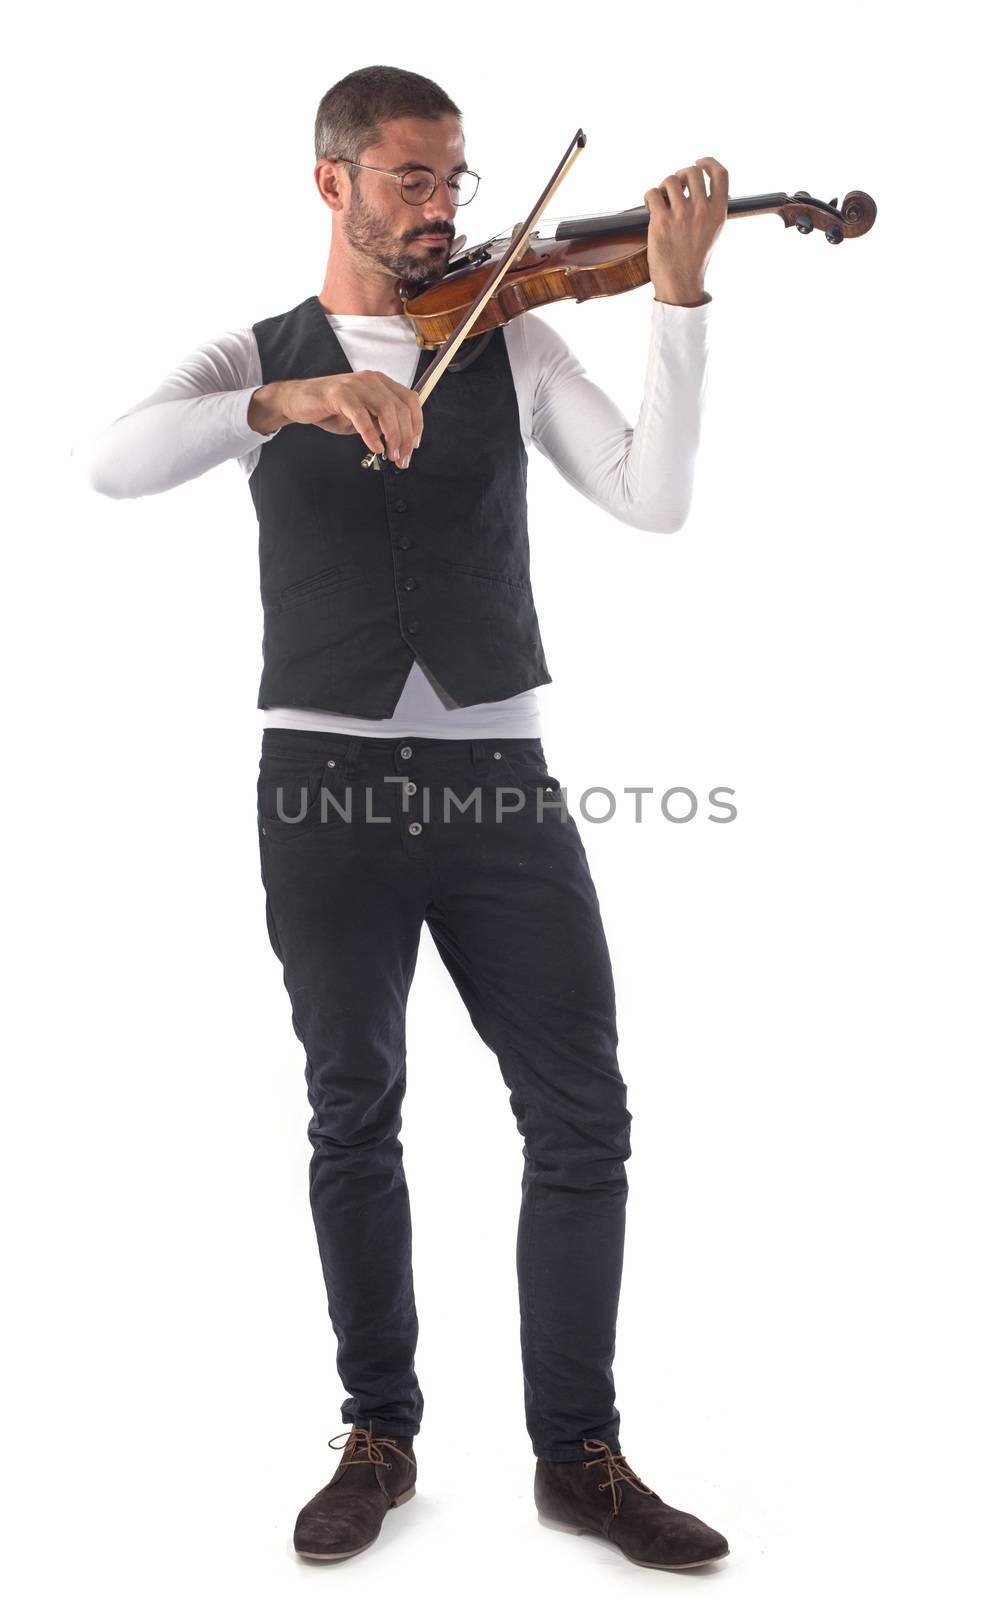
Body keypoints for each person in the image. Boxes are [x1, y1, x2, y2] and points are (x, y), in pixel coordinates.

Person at [84, 63, 730, 1571]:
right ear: (334, 184)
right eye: (409, 182)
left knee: (581, 1117)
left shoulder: (517, 338)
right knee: (351, 1110)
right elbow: (109, 462)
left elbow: (654, 502)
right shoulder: (255, 351)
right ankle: (378, 1431)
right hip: (321, 788)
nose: (442, 211)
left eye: (456, 184)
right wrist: (291, 397)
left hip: (501, 782)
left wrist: (678, 310)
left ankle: (580, 1453)